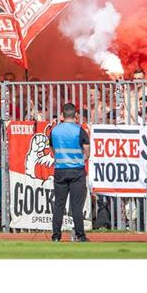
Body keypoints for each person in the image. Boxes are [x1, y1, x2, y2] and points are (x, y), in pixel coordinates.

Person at [49, 103, 90, 242]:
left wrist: (61, 158)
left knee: (59, 204)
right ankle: (80, 235)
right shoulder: (80, 130)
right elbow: (87, 152)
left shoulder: (54, 131)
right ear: (76, 116)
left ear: (62, 115)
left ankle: (56, 236)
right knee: (76, 205)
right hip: (77, 170)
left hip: (60, 169)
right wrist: (79, 160)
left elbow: (53, 150)